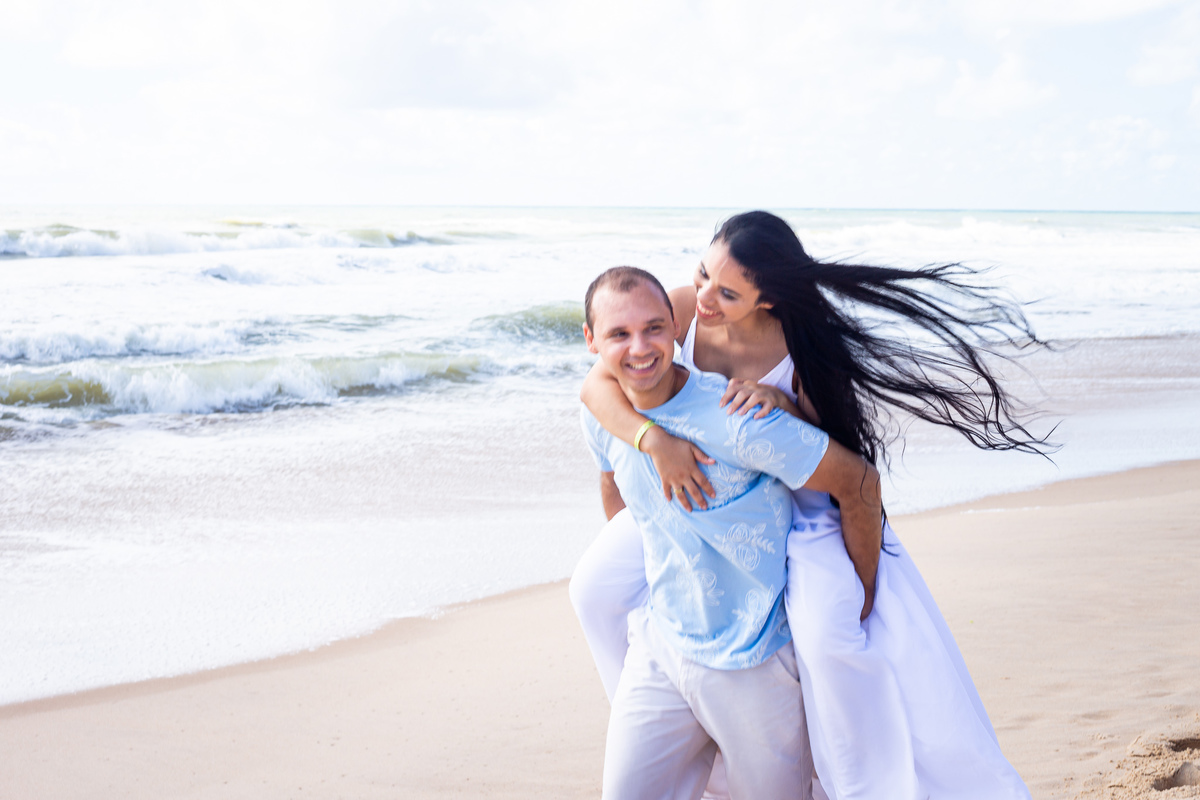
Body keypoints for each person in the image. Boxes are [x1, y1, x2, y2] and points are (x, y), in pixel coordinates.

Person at [571, 211, 1041, 800]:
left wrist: (863, 580)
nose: (707, 297)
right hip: (694, 481)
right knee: (592, 587)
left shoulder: (805, 350)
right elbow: (597, 386)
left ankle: (848, 779)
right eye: (703, 274)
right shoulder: (677, 308)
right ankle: (675, 726)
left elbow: (848, 472)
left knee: (826, 637)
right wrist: (653, 446)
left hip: (800, 504)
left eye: (728, 292)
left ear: (766, 299)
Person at [580, 265, 884, 800]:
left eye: (654, 328)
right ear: (591, 341)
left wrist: (866, 596)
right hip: (663, 648)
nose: (640, 348)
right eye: (619, 335)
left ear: (676, 327)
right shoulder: (606, 414)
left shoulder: (735, 419)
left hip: (755, 663)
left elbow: (859, 483)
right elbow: (615, 488)